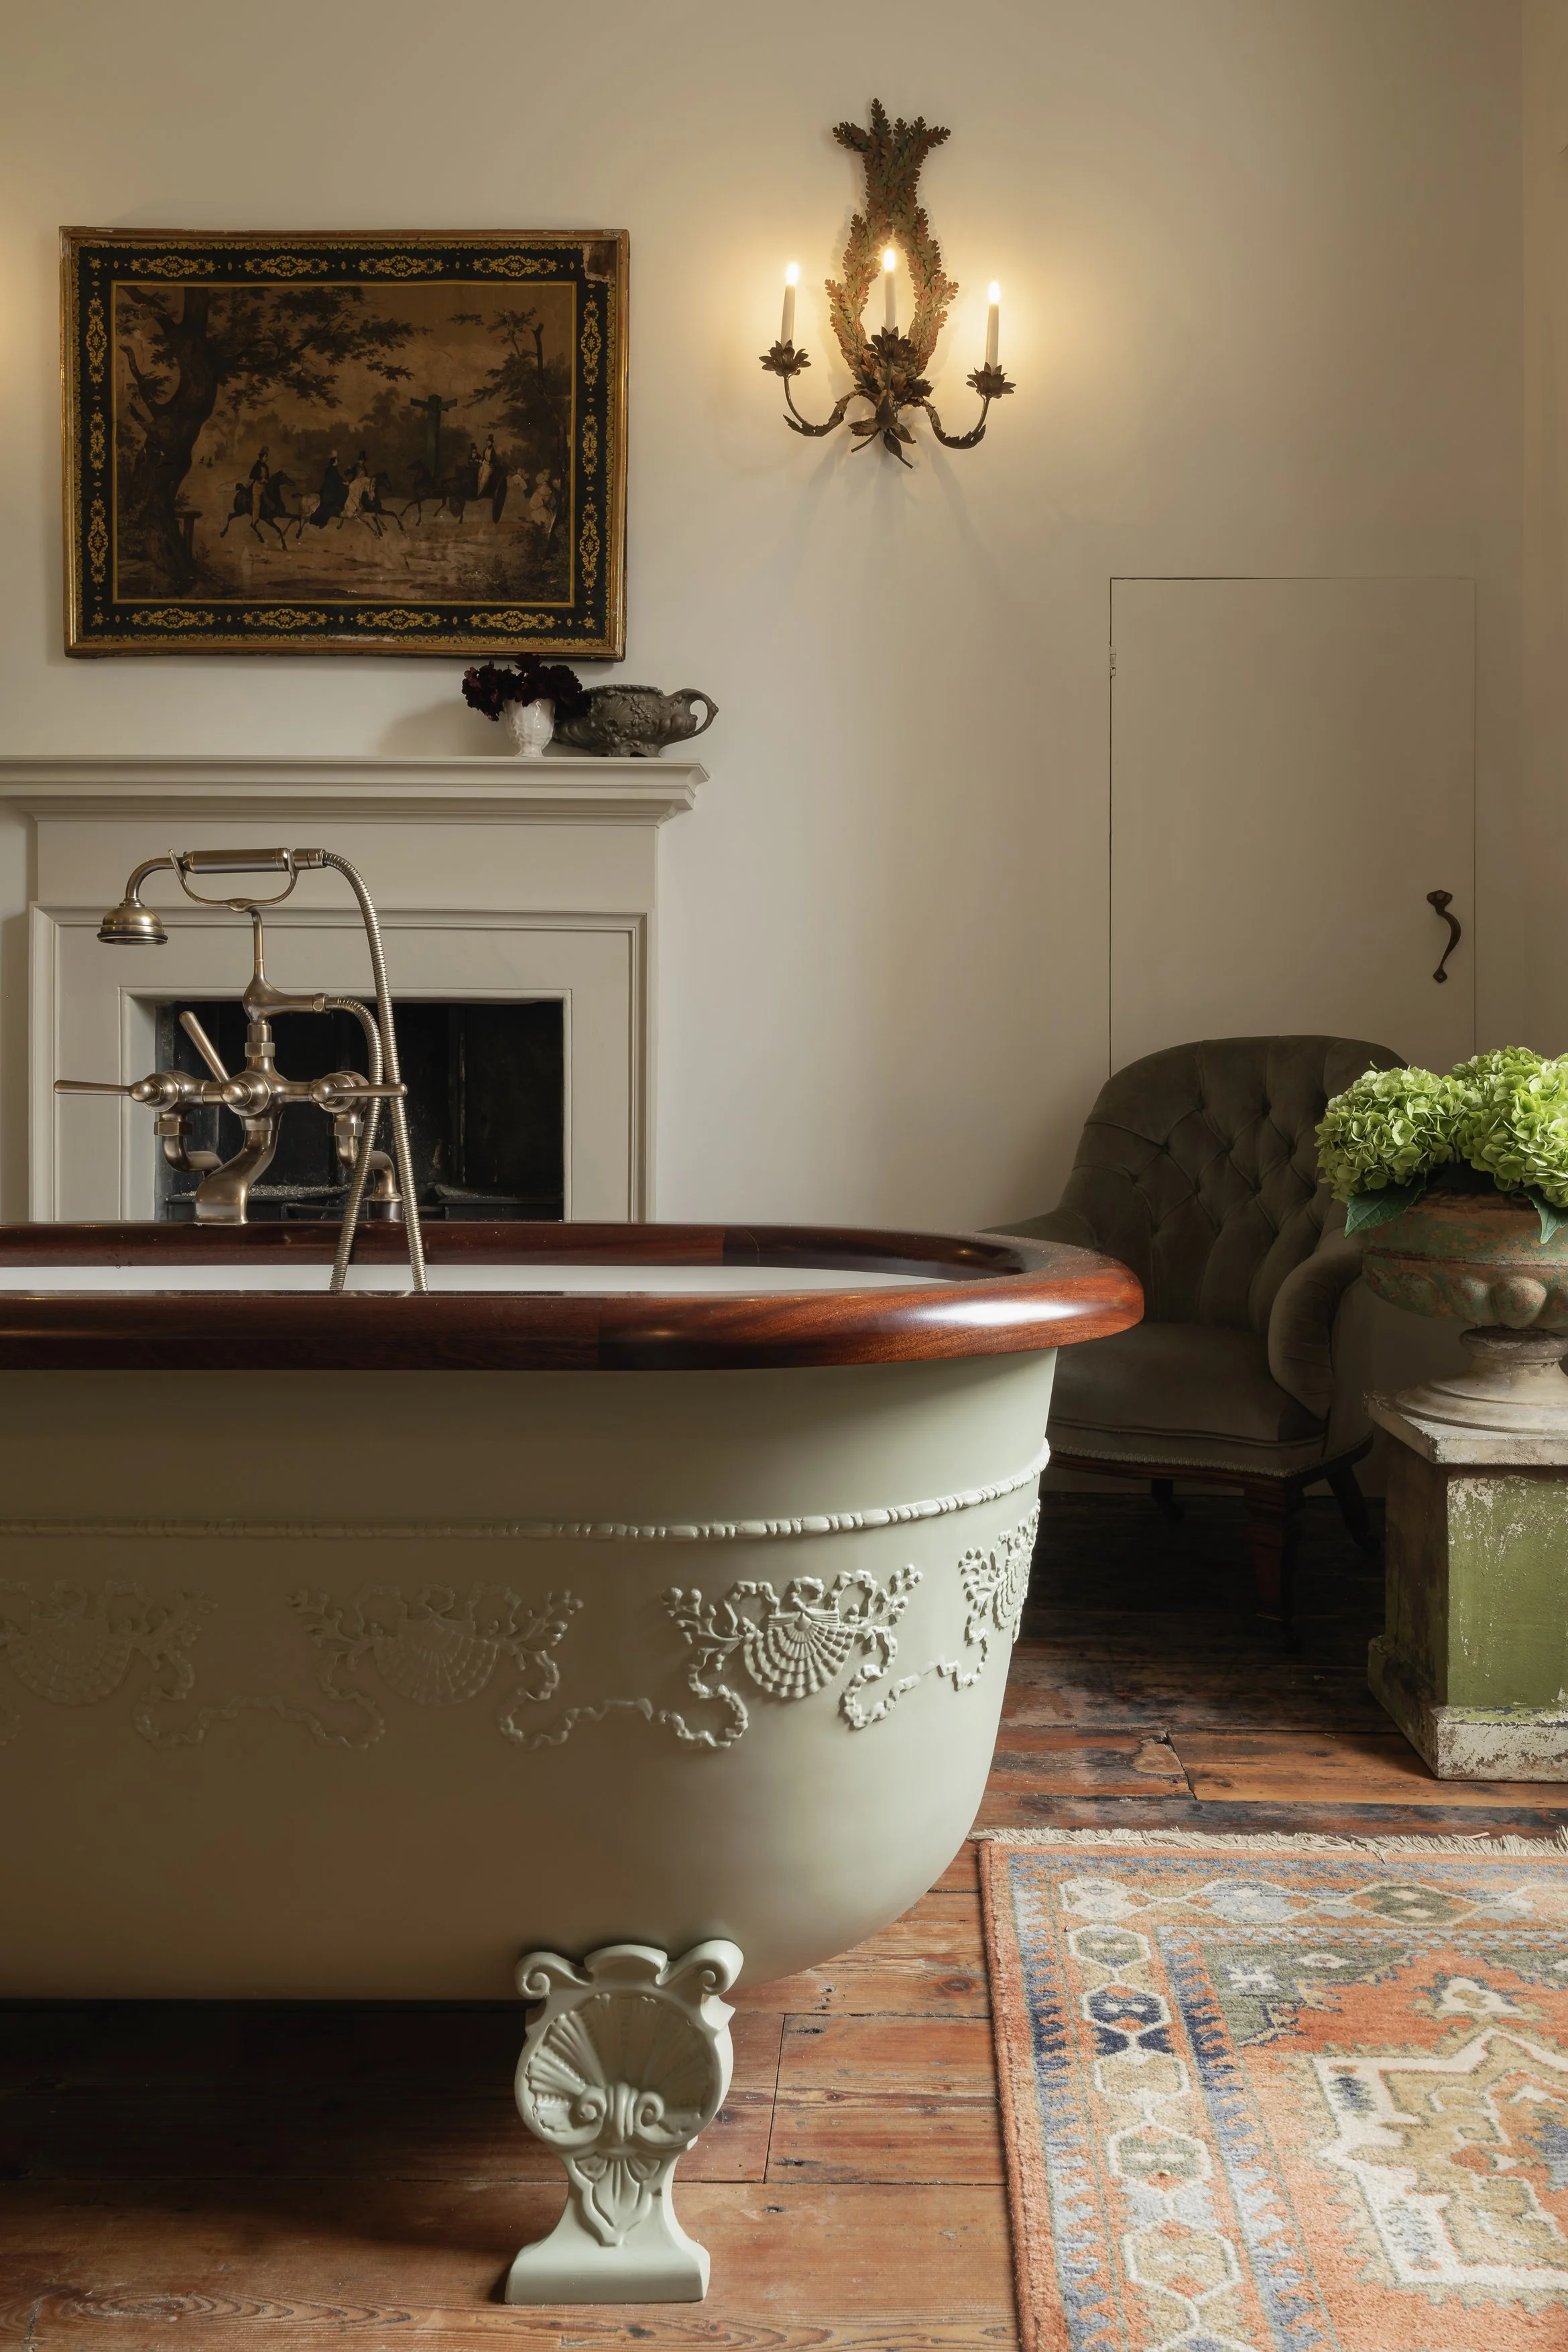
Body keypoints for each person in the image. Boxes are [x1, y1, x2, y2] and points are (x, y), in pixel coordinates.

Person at [308, 451, 347, 528]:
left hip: (331, 488)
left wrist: (344, 481)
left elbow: (338, 477)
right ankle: (321, 521)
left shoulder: (333, 469)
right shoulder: (331, 470)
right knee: (328, 504)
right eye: (336, 460)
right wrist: (342, 482)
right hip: (328, 490)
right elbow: (334, 479)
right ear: (334, 461)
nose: (337, 462)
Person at [247, 445, 270, 521]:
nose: (267, 458)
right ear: (262, 457)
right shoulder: (257, 466)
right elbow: (252, 476)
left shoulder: (266, 467)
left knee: (269, 500)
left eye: (267, 457)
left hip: (264, 487)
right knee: (257, 505)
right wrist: (261, 479)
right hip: (257, 487)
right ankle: (254, 520)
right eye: (265, 457)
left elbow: (267, 477)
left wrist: (267, 480)